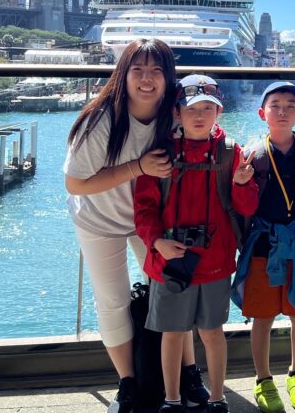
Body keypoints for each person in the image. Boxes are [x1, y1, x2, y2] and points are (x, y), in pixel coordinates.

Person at [65, 39, 190, 413]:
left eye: (156, 71)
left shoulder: (174, 116)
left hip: (148, 220)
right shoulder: (101, 120)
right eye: (138, 70)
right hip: (98, 217)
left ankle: (187, 374)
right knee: (112, 300)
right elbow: (76, 183)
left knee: (172, 291)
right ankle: (128, 383)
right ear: (123, 74)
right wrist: (138, 167)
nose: (147, 79)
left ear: (169, 77)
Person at [134, 74, 260, 413]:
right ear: (177, 112)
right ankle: (172, 400)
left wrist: (242, 183)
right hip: (170, 259)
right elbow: (144, 208)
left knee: (212, 331)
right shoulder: (160, 154)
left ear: (219, 112)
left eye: (208, 108)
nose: (200, 116)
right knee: (172, 333)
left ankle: (218, 398)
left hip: (214, 260)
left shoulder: (231, 153)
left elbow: (247, 208)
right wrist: (156, 241)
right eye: (191, 109)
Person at [231, 82, 295, 413]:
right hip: (264, 245)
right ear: (263, 114)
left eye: (291, 106)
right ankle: (263, 379)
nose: (283, 111)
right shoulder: (252, 154)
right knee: (263, 316)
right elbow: (242, 208)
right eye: (275, 105)